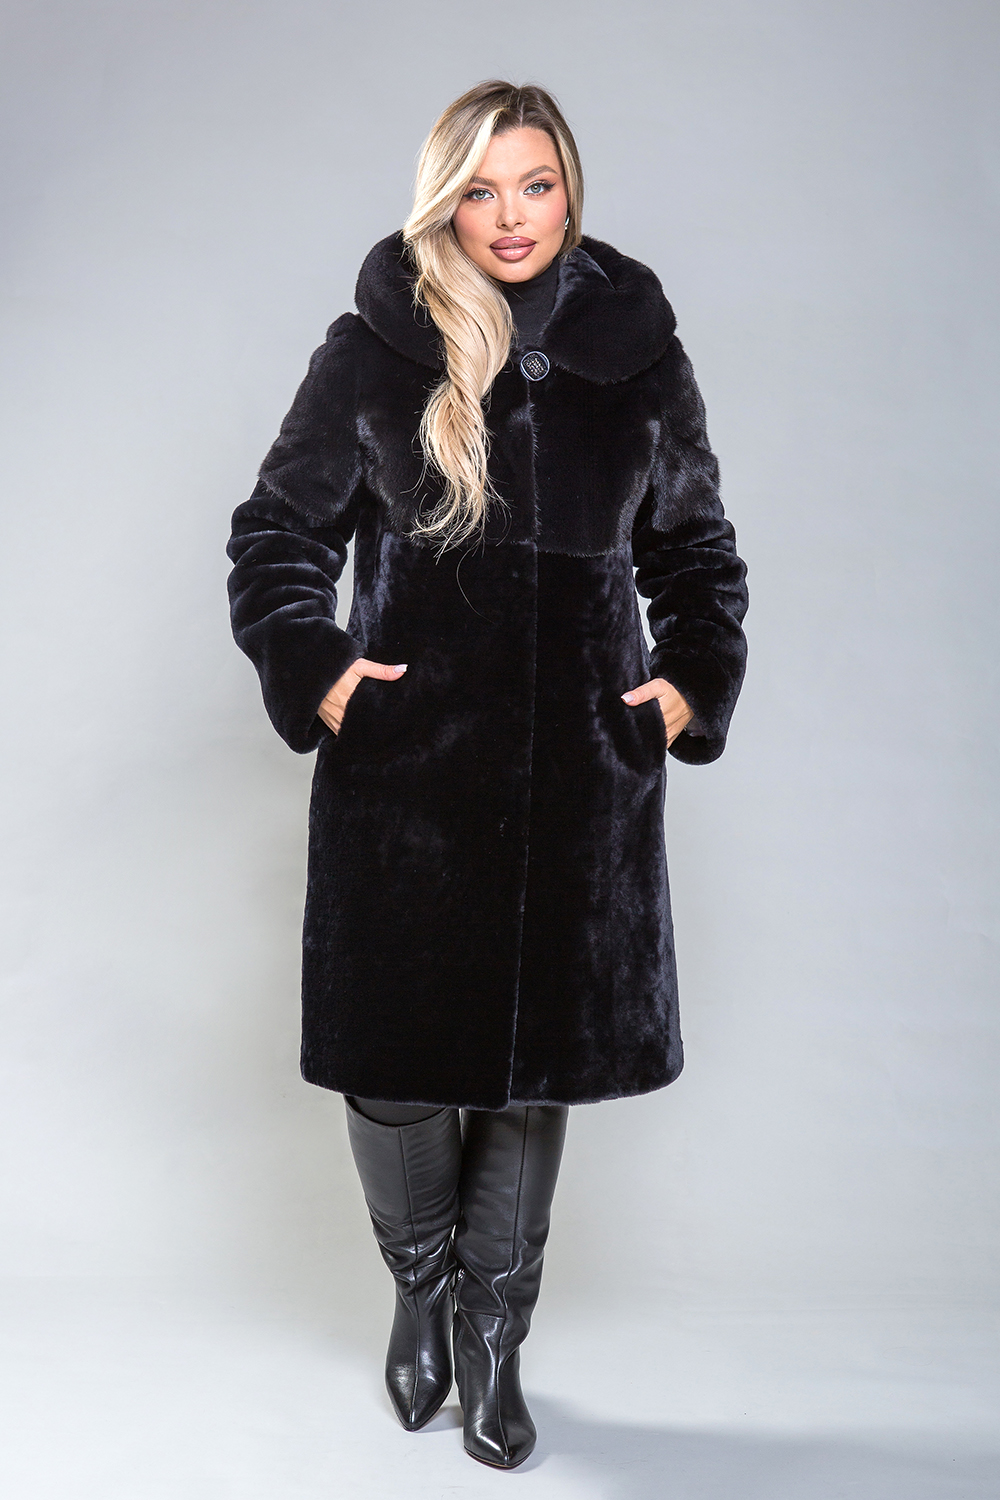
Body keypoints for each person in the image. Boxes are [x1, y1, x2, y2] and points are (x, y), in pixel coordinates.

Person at [226, 80, 748, 1469]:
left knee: (532, 1077)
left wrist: (689, 681)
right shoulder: (376, 350)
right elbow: (275, 535)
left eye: (535, 184)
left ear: (571, 189)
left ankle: (495, 1332)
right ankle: (420, 1283)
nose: (510, 217)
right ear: (442, 200)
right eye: (479, 189)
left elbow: (697, 552)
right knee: (396, 1068)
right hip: (411, 782)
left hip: (581, 786)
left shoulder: (637, 354)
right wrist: (321, 669)